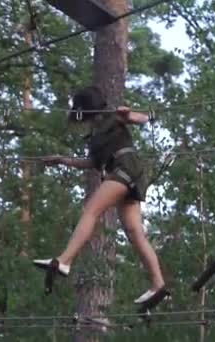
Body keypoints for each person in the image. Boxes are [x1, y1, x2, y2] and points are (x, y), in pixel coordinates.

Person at [33, 86, 166, 304]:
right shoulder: (96, 133)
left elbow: (143, 119)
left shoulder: (113, 116)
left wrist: (129, 114)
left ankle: (64, 260)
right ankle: (158, 284)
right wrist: (61, 159)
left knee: (91, 211)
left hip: (125, 169)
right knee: (134, 232)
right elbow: (92, 163)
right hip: (126, 173)